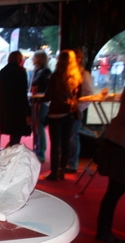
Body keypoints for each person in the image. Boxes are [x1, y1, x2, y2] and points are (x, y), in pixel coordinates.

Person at [42, 50, 82, 181]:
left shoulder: (55, 76)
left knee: (55, 144)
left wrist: (41, 99)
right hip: (70, 112)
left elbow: (48, 96)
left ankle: (54, 172)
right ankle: (62, 171)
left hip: (56, 112)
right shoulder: (76, 77)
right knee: (65, 143)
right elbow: (78, 95)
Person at [95, 89, 125, 243]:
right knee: (114, 191)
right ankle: (103, 231)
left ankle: (103, 230)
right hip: (120, 145)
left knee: (114, 191)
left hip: (115, 140)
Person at [66, 49, 94, 173]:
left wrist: (78, 107)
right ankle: (66, 162)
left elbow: (89, 94)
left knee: (72, 137)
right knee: (67, 137)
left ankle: (72, 164)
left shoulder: (83, 74)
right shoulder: (66, 73)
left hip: (74, 109)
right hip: (65, 109)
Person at [0, 51, 31, 147]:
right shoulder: (21, 72)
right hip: (18, 108)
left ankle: (10, 148)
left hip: (6, 108)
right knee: (17, 134)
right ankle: (11, 150)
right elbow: (22, 93)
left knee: (13, 134)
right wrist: (27, 112)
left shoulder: (2, 71)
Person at [30, 50, 52, 162]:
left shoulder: (45, 71)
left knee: (39, 127)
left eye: (34, 57)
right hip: (35, 101)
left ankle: (41, 151)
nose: (32, 59)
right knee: (36, 127)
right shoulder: (37, 70)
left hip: (41, 103)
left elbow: (47, 88)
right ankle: (37, 148)